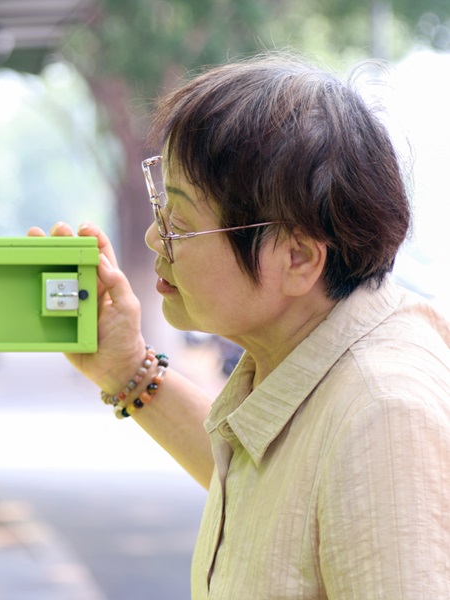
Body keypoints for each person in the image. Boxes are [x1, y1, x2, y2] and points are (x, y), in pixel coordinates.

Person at [29, 54, 450, 598]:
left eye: (178, 223)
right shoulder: (310, 349)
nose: (156, 241)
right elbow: (274, 492)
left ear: (297, 257)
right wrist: (127, 368)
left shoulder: (383, 416)